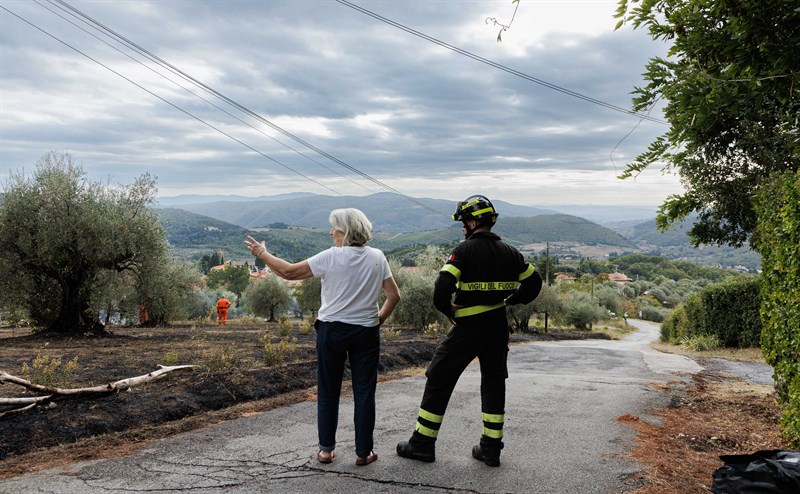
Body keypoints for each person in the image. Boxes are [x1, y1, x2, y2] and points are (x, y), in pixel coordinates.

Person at [244, 208, 400, 467]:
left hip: (332, 331)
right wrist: (377, 321)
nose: (330, 232)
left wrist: (262, 254)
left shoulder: (331, 257)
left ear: (346, 231)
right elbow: (394, 296)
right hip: (366, 332)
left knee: (329, 390)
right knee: (364, 392)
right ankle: (364, 453)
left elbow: (289, 272)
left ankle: (326, 451)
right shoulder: (378, 257)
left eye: (334, 228)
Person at [396, 195, 542, 467]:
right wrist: (511, 300)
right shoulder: (512, 253)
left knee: (439, 375)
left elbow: (442, 288)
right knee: (494, 383)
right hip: (497, 327)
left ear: (474, 222)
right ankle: (490, 449)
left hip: (468, 329)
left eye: (464, 223)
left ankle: (422, 444)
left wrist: (447, 309)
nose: (463, 229)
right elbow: (534, 282)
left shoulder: (464, 251)